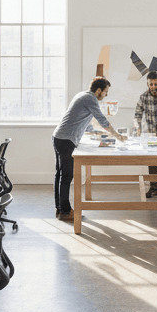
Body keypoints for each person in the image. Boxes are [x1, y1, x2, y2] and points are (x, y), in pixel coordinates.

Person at [52, 78, 126, 222]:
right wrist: (117, 135)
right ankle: (66, 211)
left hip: (59, 137)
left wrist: (98, 134)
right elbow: (102, 119)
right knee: (66, 176)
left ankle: (60, 208)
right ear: (98, 91)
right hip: (66, 140)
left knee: (60, 174)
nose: (106, 95)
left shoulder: (83, 95)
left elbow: (83, 121)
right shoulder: (90, 99)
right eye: (106, 92)